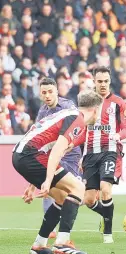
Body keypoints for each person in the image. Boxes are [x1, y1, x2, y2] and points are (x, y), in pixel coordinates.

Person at [12, 88, 103, 254]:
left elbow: (51, 148)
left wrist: (32, 184)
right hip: (30, 155)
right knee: (78, 189)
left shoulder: (70, 114)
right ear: (96, 109)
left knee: (61, 197)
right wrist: (47, 180)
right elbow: (55, 152)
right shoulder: (77, 119)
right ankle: (62, 242)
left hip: (22, 155)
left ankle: (39, 245)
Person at [76, 66, 126, 244]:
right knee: (89, 200)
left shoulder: (118, 103)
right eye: (100, 81)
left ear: (110, 81)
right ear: (94, 81)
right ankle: (106, 215)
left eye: (106, 81)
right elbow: (81, 130)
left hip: (110, 151)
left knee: (105, 190)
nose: (103, 84)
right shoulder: (86, 102)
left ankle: (108, 233)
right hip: (90, 153)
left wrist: (118, 135)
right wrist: (79, 155)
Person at [36, 78, 82, 239]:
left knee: (79, 194)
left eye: (50, 91)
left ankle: (102, 212)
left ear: (57, 91)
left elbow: (80, 128)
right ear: (40, 94)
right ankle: (53, 229)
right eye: (44, 92)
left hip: (70, 155)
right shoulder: (42, 112)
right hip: (53, 156)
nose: (47, 95)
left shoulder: (68, 106)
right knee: (50, 190)